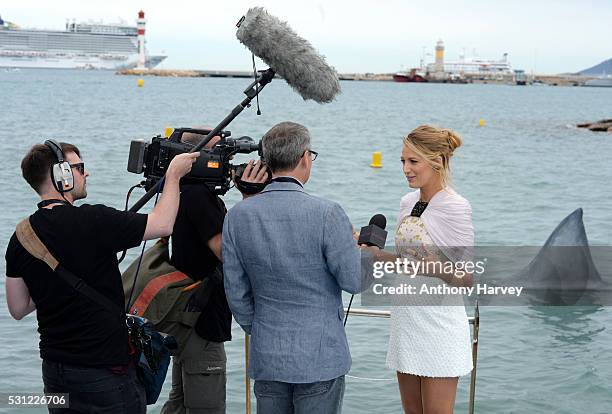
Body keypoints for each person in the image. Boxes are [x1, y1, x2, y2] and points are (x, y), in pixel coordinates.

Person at [5, 140, 198, 413]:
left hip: (56, 373)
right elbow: (163, 223)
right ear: (62, 175)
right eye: (80, 168)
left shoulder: (21, 237)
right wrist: (174, 175)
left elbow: (17, 308)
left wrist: (51, 279)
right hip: (104, 373)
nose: (86, 174)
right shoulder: (94, 220)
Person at [222, 121, 378, 414]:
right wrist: (369, 252)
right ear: (305, 158)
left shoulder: (237, 216)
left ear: (267, 162)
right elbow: (355, 280)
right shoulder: (327, 213)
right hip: (319, 357)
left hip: (267, 353)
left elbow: (236, 291)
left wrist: (260, 328)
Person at [161, 130, 268, 414]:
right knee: (205, 407)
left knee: (179, 404)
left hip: (186, 317)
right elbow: (228, 252)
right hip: (202, 322)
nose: (223, 163)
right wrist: (250, 199)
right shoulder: (199, 197)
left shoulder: (181, 192)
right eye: (217, 154)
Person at [384, 125, 474, 414]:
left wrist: (437, 269)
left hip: (438, 326)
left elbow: (466, 277)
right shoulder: (407, 202)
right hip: (406, 322)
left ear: (437, 161)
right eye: (403, 161)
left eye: (413, 161)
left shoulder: (455, 207)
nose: (406, 169)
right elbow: (405, 262)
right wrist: (372, 251)